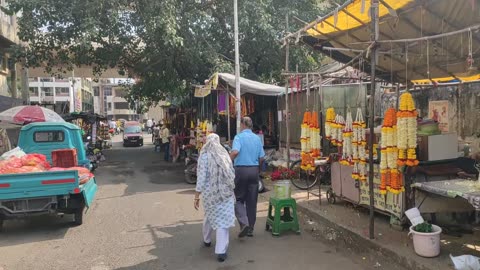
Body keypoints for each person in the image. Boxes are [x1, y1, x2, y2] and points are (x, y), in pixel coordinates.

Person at [194, 133, 236, 262]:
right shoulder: (224, 155)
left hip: (210, 194)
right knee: (222, 222)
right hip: (225, 193)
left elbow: (201, 177)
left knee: (209, 216)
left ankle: (207, 240)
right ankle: (221, 251)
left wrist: (197, 196)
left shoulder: (204, 156)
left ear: (207, 142)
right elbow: (231, 173)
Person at [230, 116, 265, 238]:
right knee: (252, 201)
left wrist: (227, 161)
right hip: (253, 170)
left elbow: (235, 152)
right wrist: (258, 169)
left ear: (243, 125)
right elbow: (262, 157)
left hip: (240, 170)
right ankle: (250, 228)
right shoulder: (257, 138)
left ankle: (244, 223)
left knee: (238, 199)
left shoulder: (238, 137)